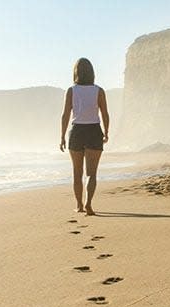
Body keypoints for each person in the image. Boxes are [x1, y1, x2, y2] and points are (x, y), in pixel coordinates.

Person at [59, 58, 109, 216]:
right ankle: (89, 204)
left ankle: (79, 205)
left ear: (76, 72)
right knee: (91, 173)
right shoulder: (99, 91)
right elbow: (105, 114)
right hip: (94, 130)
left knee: (77, 172)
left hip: (77, 131)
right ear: (92, 73)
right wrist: (106, 132)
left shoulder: (71, 91)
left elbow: (65, 115)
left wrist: (62, 136)